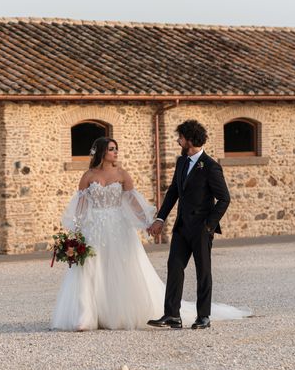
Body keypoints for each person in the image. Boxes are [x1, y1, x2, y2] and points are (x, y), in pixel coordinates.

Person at [52, 135, 250, 331]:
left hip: (117, 228)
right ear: (102, 152)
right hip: (94, 228)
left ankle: (117, 315)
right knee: (90, 270)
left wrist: (150, 223)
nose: (115, 152)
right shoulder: (88, 176)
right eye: (112, 149)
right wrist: (75, 234)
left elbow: (134, 203)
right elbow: (80, 206)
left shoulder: (122, 174)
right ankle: (85, 316)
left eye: (116, 148)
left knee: (118, 270)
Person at [147, 119, 250, 330]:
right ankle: (172, 315)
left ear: (190, 140)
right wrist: (160, 218)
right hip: (182, 226)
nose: (178, 141)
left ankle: (204, 316)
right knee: (174, 267)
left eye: (181, 138)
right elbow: (174, 192)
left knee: (203, 271)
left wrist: (209, 226)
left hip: (201, 229)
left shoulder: (211, 167)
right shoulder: (181, 162)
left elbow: (224, 199)